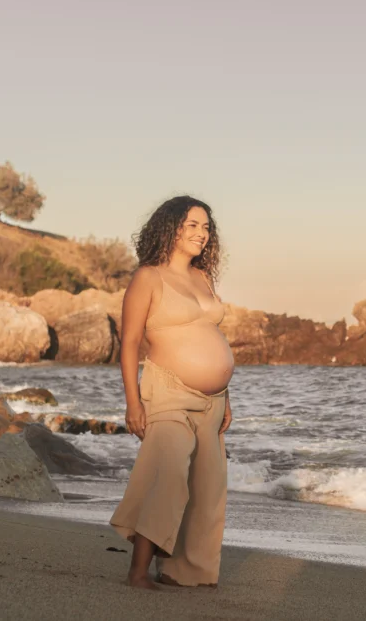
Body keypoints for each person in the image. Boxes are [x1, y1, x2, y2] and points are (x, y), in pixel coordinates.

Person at [109, 196, 233, 589]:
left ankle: (186, 572)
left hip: (212, 402)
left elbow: (212, 336)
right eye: (192, 225)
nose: (202, 233)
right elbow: (129, 343)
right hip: (167, 391)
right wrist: (132, 403)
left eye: (206, 227)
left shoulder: (203, 278)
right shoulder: (148, 277)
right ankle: (138, 571)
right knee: (168, 475)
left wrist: (227, 396)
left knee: (208, 487)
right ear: (171, 227)